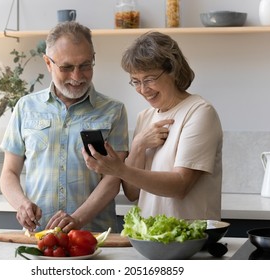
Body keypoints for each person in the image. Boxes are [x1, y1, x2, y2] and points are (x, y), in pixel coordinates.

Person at [0, 21, 129, 233]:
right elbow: (9, 172)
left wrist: (77, 220)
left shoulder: (113, 111)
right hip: (40, 236)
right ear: (48, 63)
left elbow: (113, 179)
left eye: (85, 65)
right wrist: (21, 204)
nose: (77, 77)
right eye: (67, 67)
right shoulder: (26, 107)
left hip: (94, 236)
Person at [82, 31, 223, 220]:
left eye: (149, 79)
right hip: (152, 241)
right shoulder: (145, 117)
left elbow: (180, 186)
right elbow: (133, 193)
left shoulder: (199, 112)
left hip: (191, 240)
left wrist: (119, 169)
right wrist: (138, 146)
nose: (143, 89)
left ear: (172, 70)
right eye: (136, 81)